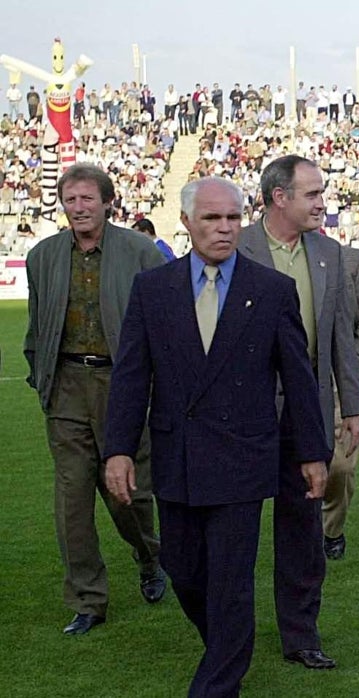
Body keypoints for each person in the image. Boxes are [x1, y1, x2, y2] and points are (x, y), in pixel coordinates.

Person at [102, 177, 329, 697]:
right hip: (176, 458)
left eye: (232, 217)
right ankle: (227, 646)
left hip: (244, 459)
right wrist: (118, 449)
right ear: (186, 223)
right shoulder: (153, 291)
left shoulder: (271, 290)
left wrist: (312, 454)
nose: (224, 228)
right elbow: (133, 376)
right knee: (184, 571)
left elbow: (298, 379)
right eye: (211, 218)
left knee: (230, 582)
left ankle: (216, 683)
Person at [23, 164, 165, 636]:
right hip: (64, 387)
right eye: (70, 199)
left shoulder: (142, 252)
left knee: (127, 494)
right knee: (71, 498)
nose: (79, 208)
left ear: (108, 202)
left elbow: (167, 326)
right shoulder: (42, 256)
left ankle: (149, 558)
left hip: (122, 388)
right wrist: (39, 373)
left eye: (87, 199)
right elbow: (36, 326)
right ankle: (87, 598)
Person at [237, 154, 359, 670]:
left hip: (306, 411)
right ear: (278, 198)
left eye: (321, 192)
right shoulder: (235, 246)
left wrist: (352, 406)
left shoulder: (330, 254)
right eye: (311, 194)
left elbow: (339, 336)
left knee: (302, 529)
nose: (321, 202)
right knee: (234, 530)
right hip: (241, 416)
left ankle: (301, 634)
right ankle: (229, 633)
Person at [321, 243, 359, 559]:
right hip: (294, 384)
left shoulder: (352, 260)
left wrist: (347, 364)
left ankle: (332, 527)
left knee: (341, 467)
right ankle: (307, 532)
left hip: (341, 386)